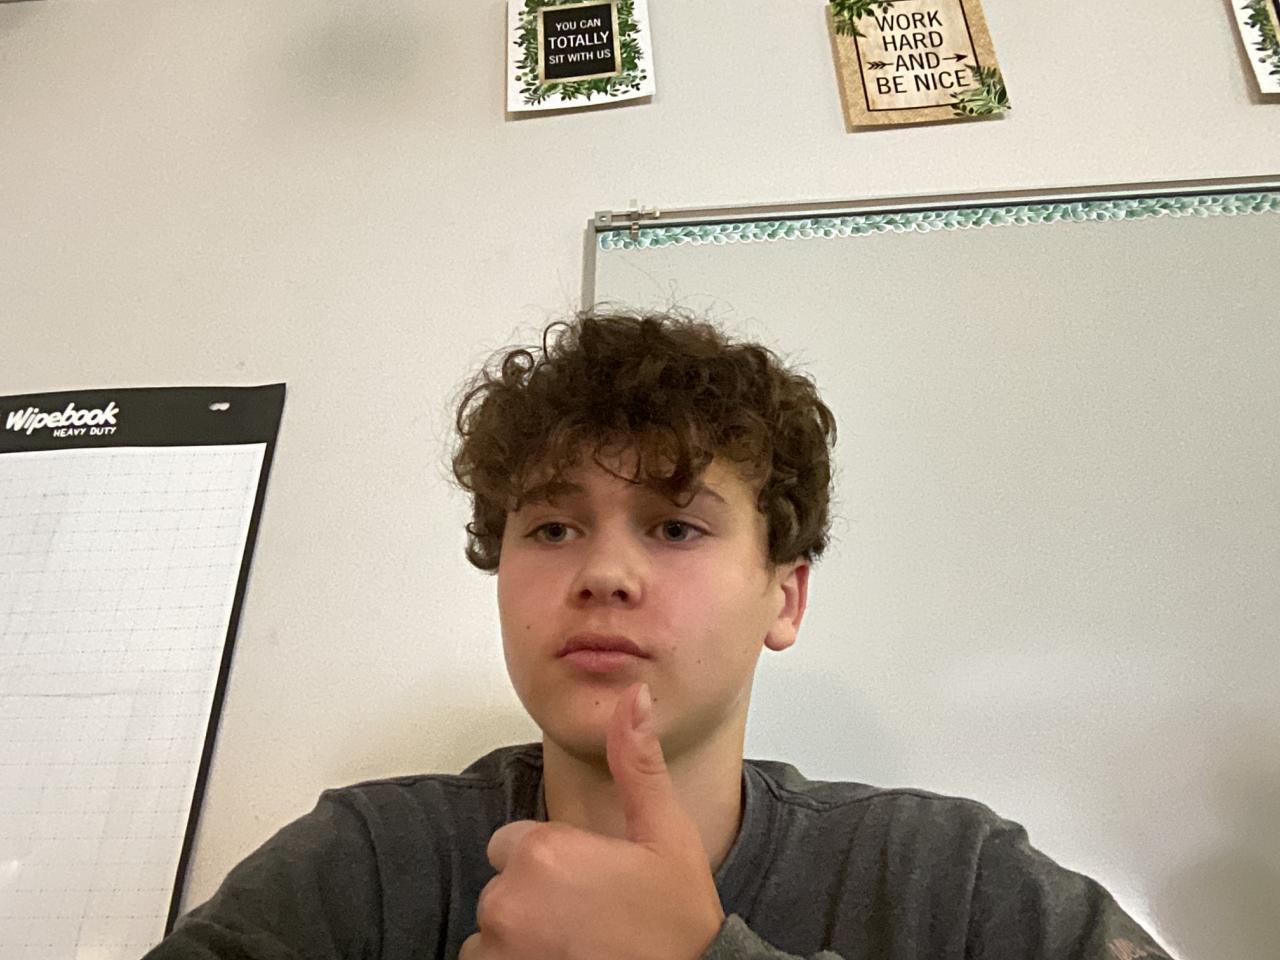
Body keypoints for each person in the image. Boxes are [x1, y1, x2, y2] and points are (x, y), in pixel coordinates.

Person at [141, 310, 1177, 960]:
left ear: (785, 599)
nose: (602, 573)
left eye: (676, 527)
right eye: (551, 528)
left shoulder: (949, 882)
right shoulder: (366, 865)